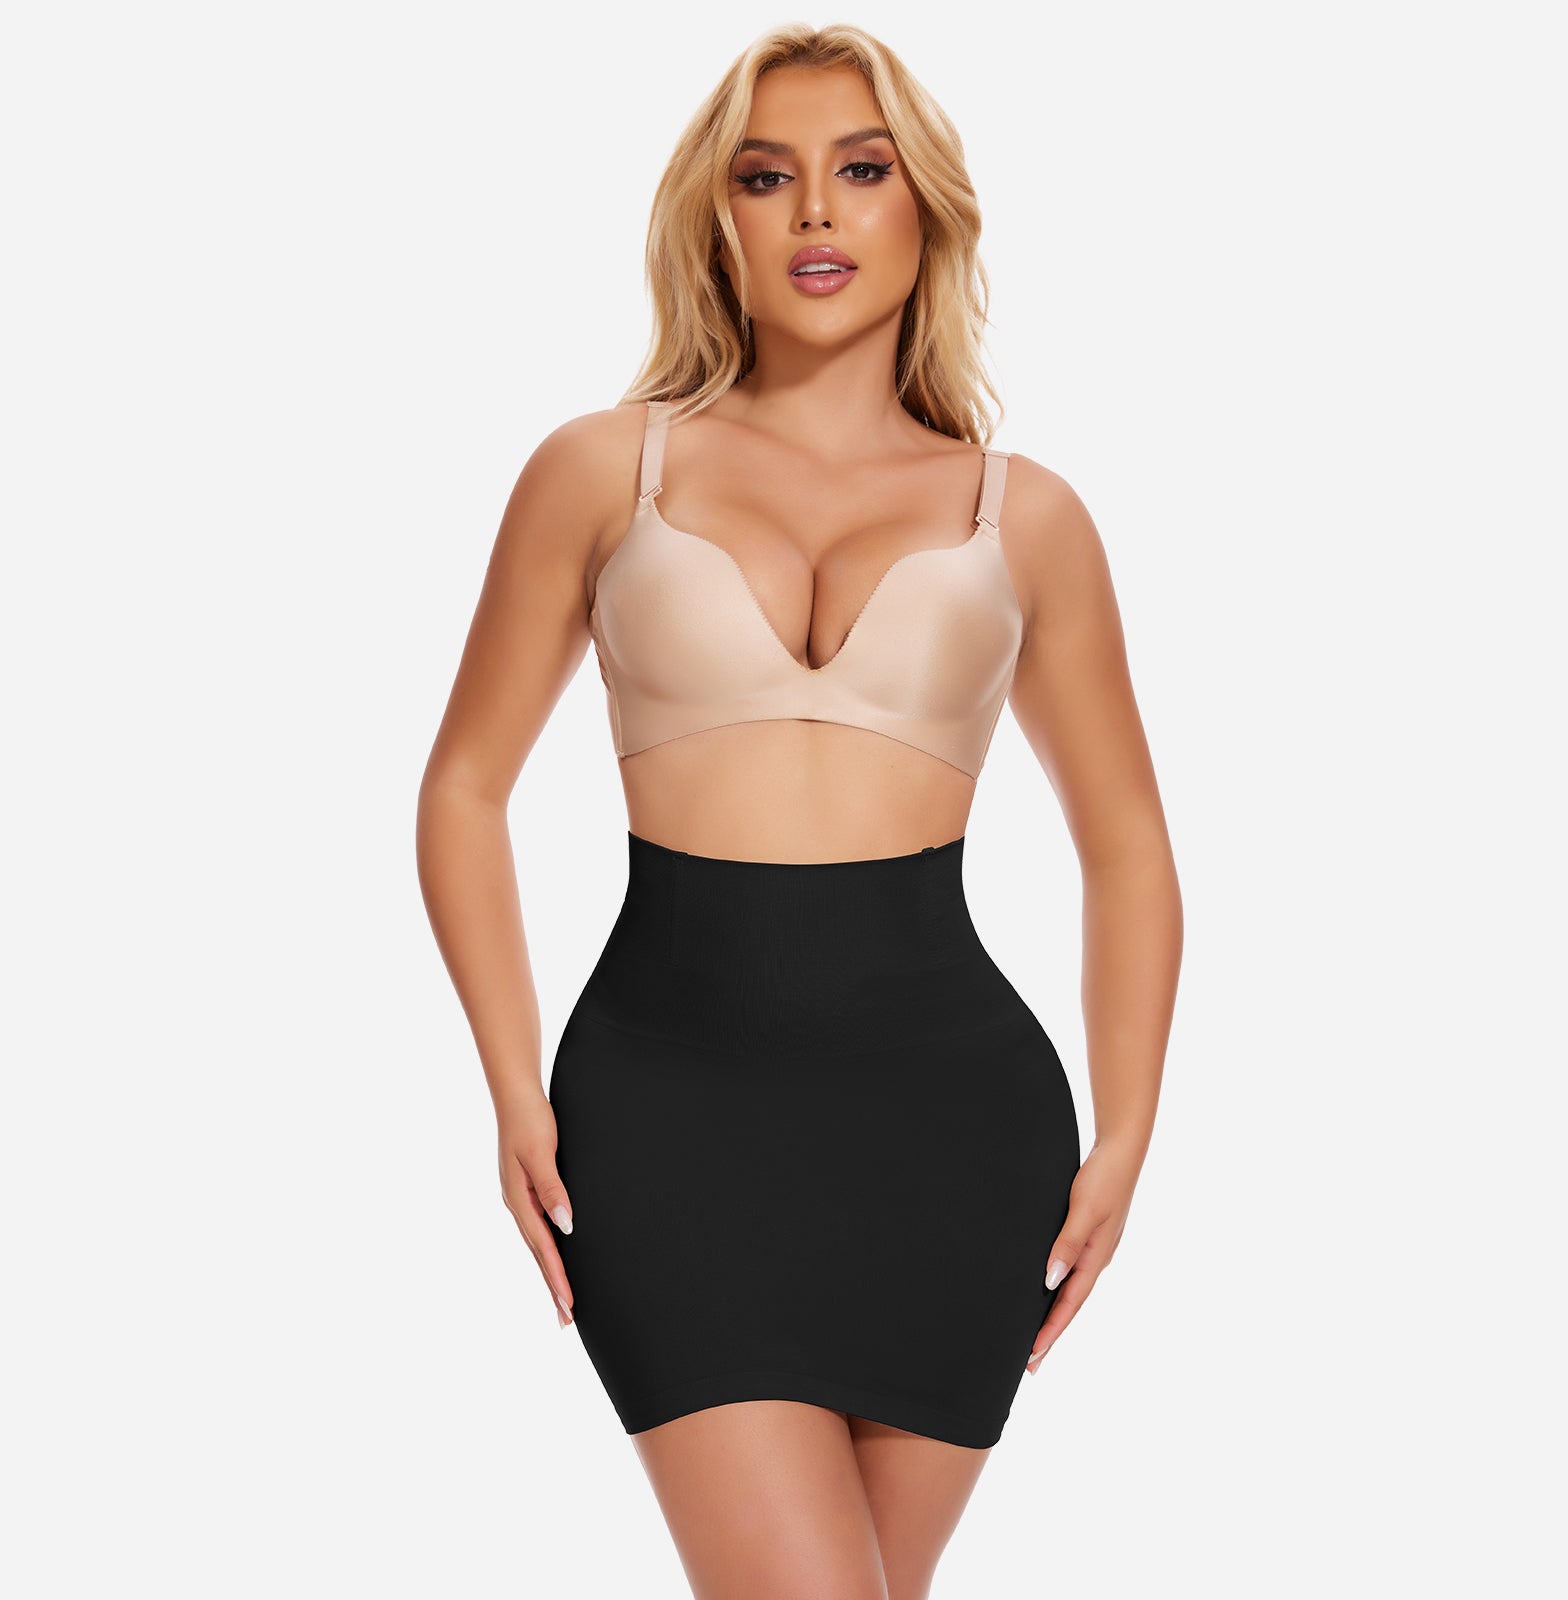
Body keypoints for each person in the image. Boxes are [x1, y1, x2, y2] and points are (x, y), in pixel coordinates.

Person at [417, 21, 1182, 1600]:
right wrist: (511, 1089)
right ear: (717, 218)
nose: (816, 212)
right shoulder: (601, 472)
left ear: (929, 211)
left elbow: (1126, 845)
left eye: (861, 171)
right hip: (667, 1125)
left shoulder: (1026, 515)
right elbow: (464, 786)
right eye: (766, 178)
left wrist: (1126, 1134)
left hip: (957, 1139)